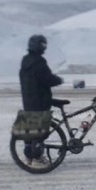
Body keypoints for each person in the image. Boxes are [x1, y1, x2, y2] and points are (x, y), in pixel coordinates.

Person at [19, 34, 63, 162]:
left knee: (31, 129)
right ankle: (38, 157)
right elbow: (47, 79)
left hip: (28, 101)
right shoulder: (39, 62)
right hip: (41, 100)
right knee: (40, 131)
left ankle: (28, 156)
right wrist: (58, 80)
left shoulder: (25, 62)